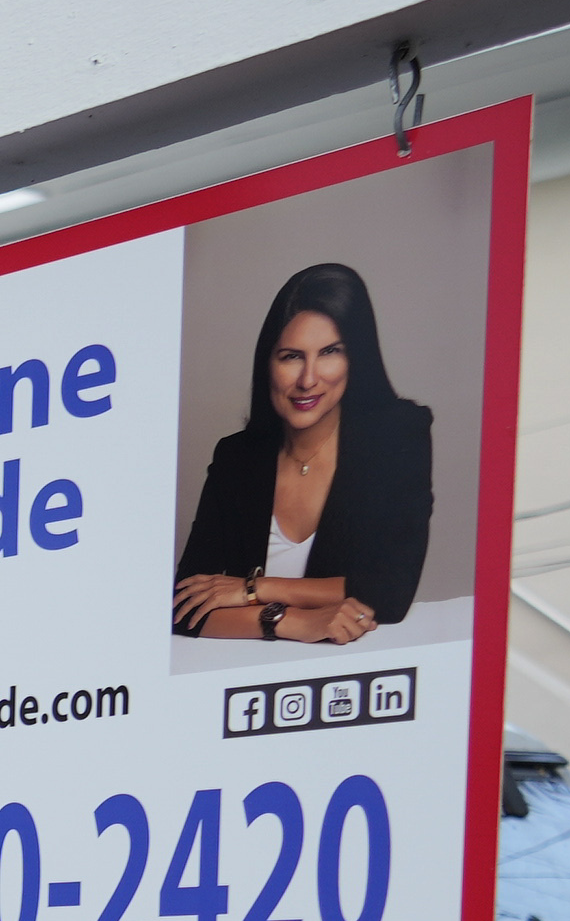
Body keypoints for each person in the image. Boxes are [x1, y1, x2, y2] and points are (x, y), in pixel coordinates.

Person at [171, 259, 433, 647]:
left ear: (354, 359)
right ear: (268, 365)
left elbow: (390, 593)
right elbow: (186, 608)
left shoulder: (398, 435)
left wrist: (251, 589)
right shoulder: (237, 458)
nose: (308, 379)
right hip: (237, 678)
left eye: (329, 352)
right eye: (291, 356)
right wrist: (285, 620)